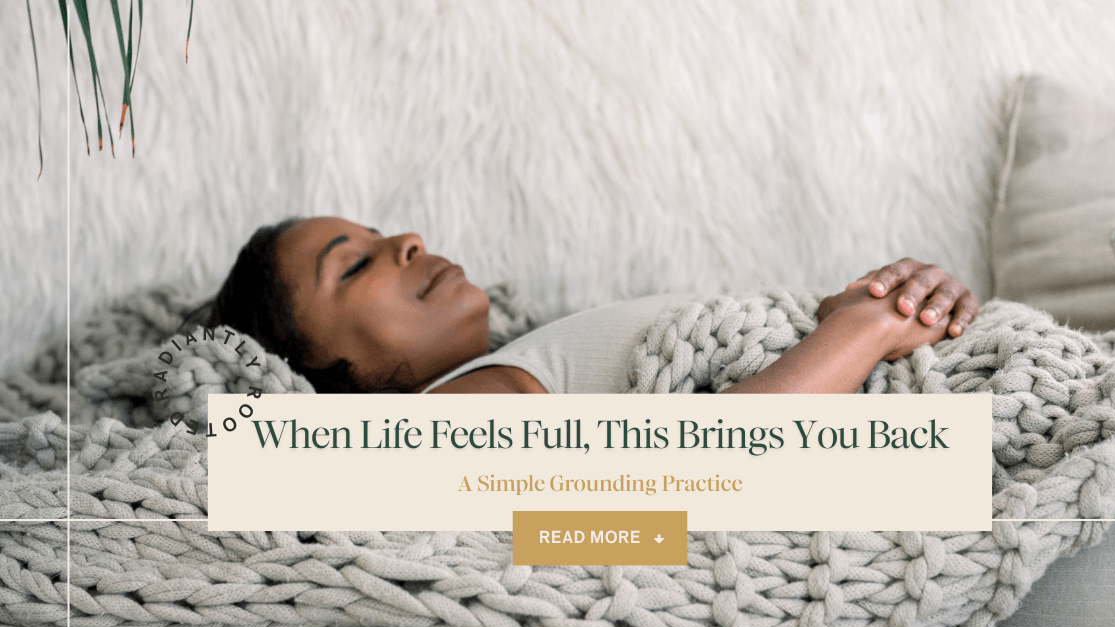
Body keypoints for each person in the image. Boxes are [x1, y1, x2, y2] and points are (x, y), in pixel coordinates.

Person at [201, 216, 979, 394]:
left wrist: (894, 295)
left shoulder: (520, 360)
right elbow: (715, 474)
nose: (406, 238)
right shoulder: (456, 414)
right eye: (355, 263)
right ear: (321, 368)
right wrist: (866, 326)